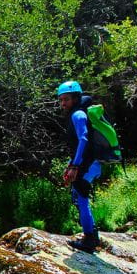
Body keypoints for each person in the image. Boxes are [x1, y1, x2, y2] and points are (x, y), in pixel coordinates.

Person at [57, 80, 101, 253]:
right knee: (78, 196)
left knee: (81, 198)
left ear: (76, 98)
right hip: (85, 163)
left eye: (66, 99)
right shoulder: (77, 114)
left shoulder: (78, 115)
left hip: (88, 164)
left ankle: (89, 239)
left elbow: (83, 139)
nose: (63, 104)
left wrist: (75, 166)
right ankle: (92, 234)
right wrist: (70, 165)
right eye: (61, 100)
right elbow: (78, 145)